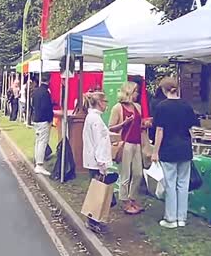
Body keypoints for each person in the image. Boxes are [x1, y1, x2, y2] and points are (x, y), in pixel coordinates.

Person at [152, 77, 199, 229]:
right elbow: (192, 130)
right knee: (183, 185)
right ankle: (181, 218)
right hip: (185, 149)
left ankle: (170, 218)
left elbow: (160, 131)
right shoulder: (187, 106)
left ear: (164, 90)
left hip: (168, 150)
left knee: (170, 184)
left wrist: (155, 151)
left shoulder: (161, 107)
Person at [109, 81, 149, 215]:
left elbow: (140, 124)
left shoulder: (137, 107)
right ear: (129, 92)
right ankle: (125, 200)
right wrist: (124, 123)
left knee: (138, 173)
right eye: (135, 91)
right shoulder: (117, 108)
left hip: (137, 142)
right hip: (125, 143)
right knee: (125, 173)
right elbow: (110, 127)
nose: (137, 93)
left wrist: (145, 125)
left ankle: (132, 197)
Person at [82, 90, 118, 231]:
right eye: (105, 102)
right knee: (98, 191)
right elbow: (99, 142)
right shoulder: (95, 119)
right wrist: (102, 162)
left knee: (98, 189)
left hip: (95, 159)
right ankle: (92, 219)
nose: (107, 105)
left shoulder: (93, 117)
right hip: (97, 160)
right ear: (99, 102)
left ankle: (95, 218)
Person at [32, 74, 53, 176]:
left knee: (38, 141)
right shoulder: (46, 92)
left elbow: (33, 104)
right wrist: (50, 119)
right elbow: (47, 107)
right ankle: (39, 164)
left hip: (36, 119)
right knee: (42, 142)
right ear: (49, 80)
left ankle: (37, 161)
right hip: (44, 120)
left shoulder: (36, 91)